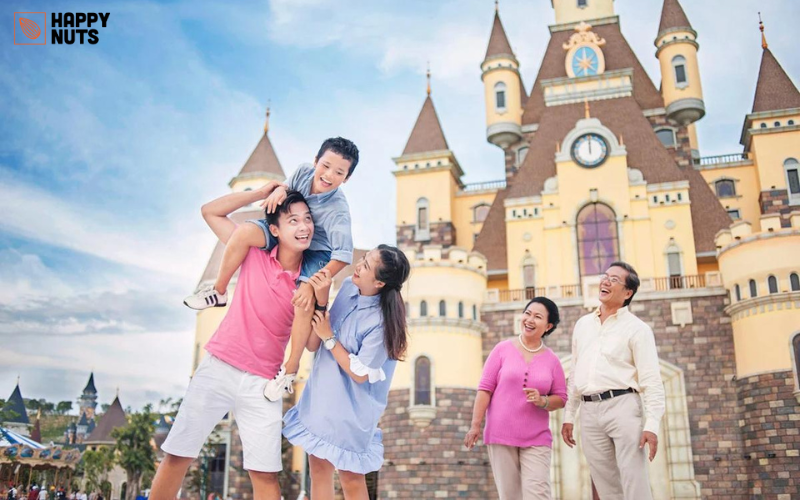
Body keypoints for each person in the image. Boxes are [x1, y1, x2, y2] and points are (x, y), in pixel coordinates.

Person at [150, 187, 314, 500]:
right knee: (177, 455)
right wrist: (261, 192)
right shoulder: (252, 254)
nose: (304, 226)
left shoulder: (308, 281)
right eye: (293, 220)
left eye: (307, 219)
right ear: (274, 230)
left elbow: (306, 336)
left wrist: (291, 367)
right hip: (218, 368)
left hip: (264, 383)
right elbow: (210, 211)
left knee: (265, 475)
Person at [183, 137, 360, 401]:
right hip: (287, 234)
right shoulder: (303, 172)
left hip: (317, 251)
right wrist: (276, 191)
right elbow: (213, 211)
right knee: (244, 232)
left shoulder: (339, 211)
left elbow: (343, 256)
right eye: (325, 166)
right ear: (315, 162)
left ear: (346, 178)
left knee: (303, 300)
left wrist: (311, 284)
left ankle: (290, 369)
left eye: (339, 172)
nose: (328, 175)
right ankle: (218, 292)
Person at [282, 245, 410, 500]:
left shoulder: (382, 322)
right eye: (363, 259)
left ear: (380, 282)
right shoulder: (349, 287)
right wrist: (321, 302)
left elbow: (360, 373)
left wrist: (330, 337)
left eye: (366, 266)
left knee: (351, 480)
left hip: (350, 412)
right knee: (318, 471)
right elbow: (313, 343)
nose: (358, 266)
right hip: (321, 398)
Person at [561, 262, 665, 500]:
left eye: (615, 279)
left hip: (623, 406)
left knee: (634, 480)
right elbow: (575, 373)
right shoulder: (582, 325)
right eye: (605, 276)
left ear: (628, 292)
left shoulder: (638, 329)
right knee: (605, 484)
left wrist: (652, 425)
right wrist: (569, 416)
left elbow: (651, 380)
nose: (606, 281)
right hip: (588, 411)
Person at [464, 297, 567, 500]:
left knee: (538, 494)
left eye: (537, 317)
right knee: (510, 496)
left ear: (548, 326)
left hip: (537, 437)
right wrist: (475, 425)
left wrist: (543, 401)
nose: (530, 319)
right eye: (527, 313)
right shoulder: (501, 350)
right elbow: (485, 389)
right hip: (500, 434)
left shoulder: (552, 361)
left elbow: (561, 397)